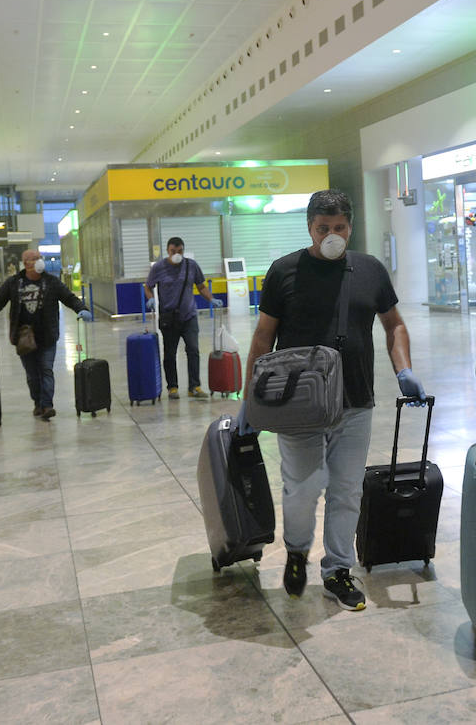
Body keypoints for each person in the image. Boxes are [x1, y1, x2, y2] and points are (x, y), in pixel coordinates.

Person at [241, 189, 426, 612]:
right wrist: (249, 399)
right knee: (303, 490)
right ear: (310, 227)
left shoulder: (369, 270)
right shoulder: (284, 271)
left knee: (345, 492)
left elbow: (394, 325)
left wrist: (404, 370)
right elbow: (262, 337)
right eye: (323, 228)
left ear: (350, 227)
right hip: (297, 406)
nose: (331, 235)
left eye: (339, 227)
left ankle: (338, 570)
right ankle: (295, 551)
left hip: (356, 400)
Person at [0, 247, 92, 421]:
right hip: (24, 338)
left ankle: (47, 405)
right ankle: (37, 403)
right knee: (32, 375)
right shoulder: (14, 283)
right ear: (26, 263)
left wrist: (81, 309)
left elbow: (69, 298)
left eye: (40, 257)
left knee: (46, 370)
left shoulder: (52, 282)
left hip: (47, 335)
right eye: (34, 258)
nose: (39, 260)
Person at [145, 237, 214, 399]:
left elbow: (201, 286)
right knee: (170, 353)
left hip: (189, 316)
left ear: (183, 250)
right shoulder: (159, 267)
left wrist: (211, 298)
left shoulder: (191, 266)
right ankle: (172, 387)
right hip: (169, 318)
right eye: (173, 251)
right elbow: (148, 286)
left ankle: (195, 386)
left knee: (193, 350)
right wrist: (150, 298)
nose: (177, 254)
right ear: (168, 251)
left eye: (180, 251)